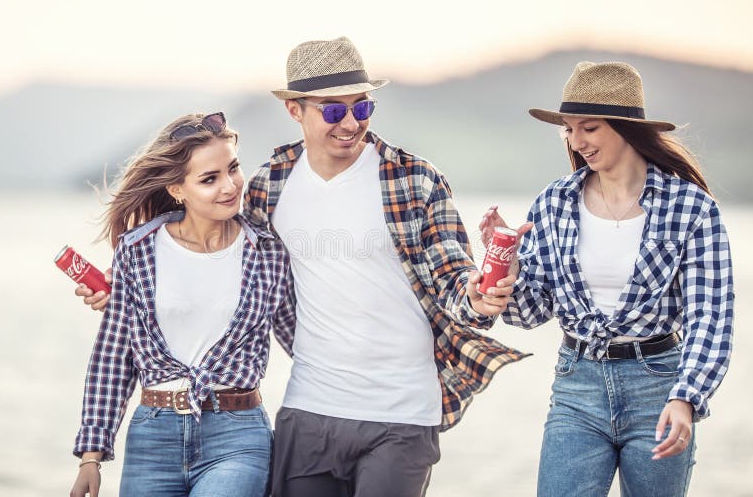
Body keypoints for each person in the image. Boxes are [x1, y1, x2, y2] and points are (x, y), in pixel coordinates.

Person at [243, 36, 528, 497]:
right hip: (310, 406)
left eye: (362, 107)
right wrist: (134, 285)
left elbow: (454, 275)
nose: (350, 122)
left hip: (402, 415)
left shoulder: (413, 177)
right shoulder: (267, 187)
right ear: (294, 110)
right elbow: (226, 269)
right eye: (333, 111)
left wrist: (479, 296)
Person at [480, 61, 735, 496]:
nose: (576, 142)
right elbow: (529, 312)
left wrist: (686, 397)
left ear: (625, 128)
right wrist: (509, 266)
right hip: (577, 385)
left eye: (589, 128)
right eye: (569, 130)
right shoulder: (555, 202)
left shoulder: (692, 207)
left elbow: (710, 316)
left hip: (659, 386)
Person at [69, 112, 295, 497]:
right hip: (152, 438)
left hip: (238, 436)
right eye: (209, 179)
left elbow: (304, 341)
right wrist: (91, 455)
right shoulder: (137, 250)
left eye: (233, 169)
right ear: (177, 189)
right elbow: (113, 356)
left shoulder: (268, 253)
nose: (229, 187)